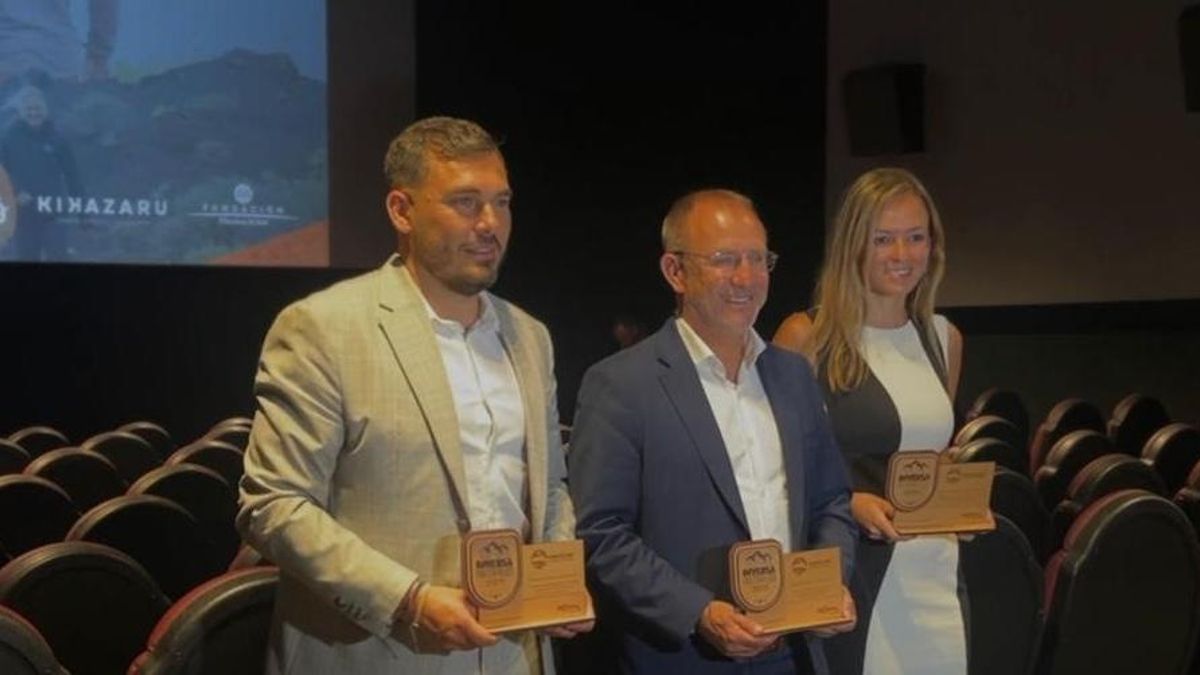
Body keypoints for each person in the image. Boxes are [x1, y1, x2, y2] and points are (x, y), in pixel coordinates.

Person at [237, 116, 592, 675]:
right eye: (465, 202)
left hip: (515, 653)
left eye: (501, 202)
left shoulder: (531, 336)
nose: (490, 224)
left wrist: (556, 577)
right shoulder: (323, 328)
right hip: (380, 654)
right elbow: (275, 506)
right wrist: (409, 599)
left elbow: (548, 487)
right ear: (402, 210)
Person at [569, 189, 858, 674]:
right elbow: (602, 534)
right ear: (675, 271)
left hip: (796, 653)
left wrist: (827, 582)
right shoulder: (620, 384)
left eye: (758, 259)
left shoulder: (792, 375)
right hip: (686, 656)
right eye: (724, 259)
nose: (746, 278)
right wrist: (698, 612)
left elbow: (832, 502)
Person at [773, 167, 966, 675]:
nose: (902, 254)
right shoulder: (806, 336)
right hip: (854, 572)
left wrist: (959, 505)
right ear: (853, 244)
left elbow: (935, 459)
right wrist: (849, 501)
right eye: (883, 239)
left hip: (937, 573)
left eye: (916, 237)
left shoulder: (945, 338)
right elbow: (770, 468)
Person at [0, 84, 81, 261]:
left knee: (58, 257)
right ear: (20, 111)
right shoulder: (8, 137)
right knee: (26, 258)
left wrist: (82, 210)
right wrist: (16, 192)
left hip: (54, 212)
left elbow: (72, 175)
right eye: (29, 109)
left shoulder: (58, 137)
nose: (34, 113)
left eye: (38, 108)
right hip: (22, 213)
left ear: (46, 109)